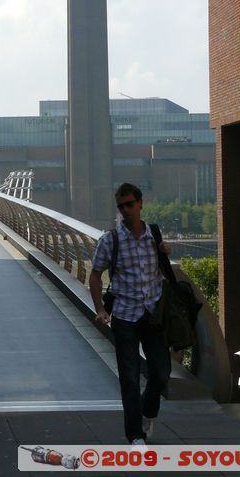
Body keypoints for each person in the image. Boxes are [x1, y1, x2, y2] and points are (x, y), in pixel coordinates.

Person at [89, 182, 172, 447]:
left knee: (161, 373)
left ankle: (148, 412)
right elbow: (95, 275)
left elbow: (162, 271)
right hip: (124, 316)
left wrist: (166, 252)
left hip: (152, 314)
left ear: (140, 203)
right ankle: (135, 434)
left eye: (129, 204)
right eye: (121, 206)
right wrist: (100, 309)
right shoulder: (110, 240)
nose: (125, 210)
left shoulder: (155, 236)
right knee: (129, 377)